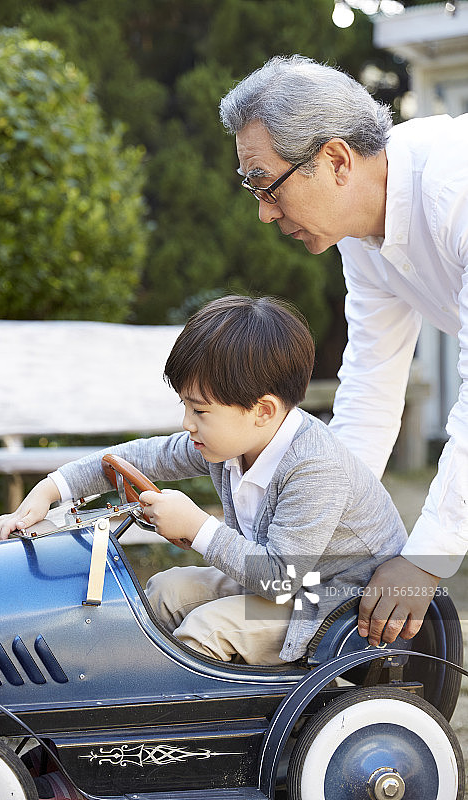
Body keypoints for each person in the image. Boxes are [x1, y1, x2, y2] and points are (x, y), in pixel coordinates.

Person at [0, 295, 406, 665]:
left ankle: (172, 739)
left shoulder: (314, 468)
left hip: (332, 601)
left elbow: (281, 577)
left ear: (262, 410)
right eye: (185, 406)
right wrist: (52, 488)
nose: (187, 424)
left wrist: (197, 527)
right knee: (161, 593)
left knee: (206, 630)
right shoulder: (229, 441)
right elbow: (143, 456)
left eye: (201, 411)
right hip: (279, 583)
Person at [219, 55, 468, 647]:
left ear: (334, 160)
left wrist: (427, 558)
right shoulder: (362, 234)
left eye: (267, 184)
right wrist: (309, 552)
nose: (263, 212)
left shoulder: (455, 189)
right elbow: (371, 386)